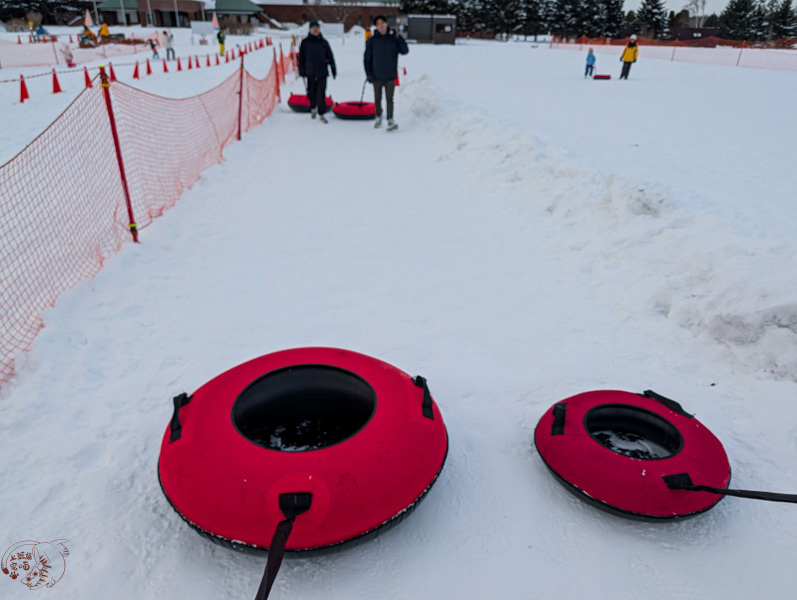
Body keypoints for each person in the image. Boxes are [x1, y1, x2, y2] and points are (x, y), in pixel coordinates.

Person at [364, 15, 408, 132]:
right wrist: (369, 74)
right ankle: (378, 117)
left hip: (390, 76)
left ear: (387, 24)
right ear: (376, 26)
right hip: (376, 75)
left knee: (390, 99)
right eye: (378, 24)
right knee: (377, 99)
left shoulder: (394, 39)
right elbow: (367, 59)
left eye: (383, 23)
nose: (381, 25)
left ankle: (390, 119)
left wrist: (400, 38)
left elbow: (405, 51)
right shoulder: (372, 41)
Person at [298, 20, 337, 124]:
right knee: (311, 93)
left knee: (321, 93)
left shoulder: (324, 42)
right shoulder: (305, 42)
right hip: (310, 72)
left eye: (317, 28)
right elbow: (301, 58)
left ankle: (321, 113)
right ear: (310, 29)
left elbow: (330, 56)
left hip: (322, 72)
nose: (315, 30)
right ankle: (312, 108)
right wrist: (301, 70)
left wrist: (333, 69)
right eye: (313, 28)